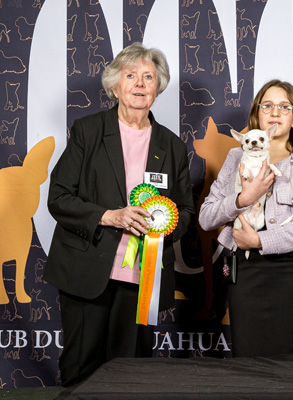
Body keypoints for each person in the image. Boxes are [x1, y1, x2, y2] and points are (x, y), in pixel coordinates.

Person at [44, 42, 195, 386]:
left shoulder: (172, 145)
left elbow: (185, 209)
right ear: (115, 87)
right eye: (131, 76)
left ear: (158, 88)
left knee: (132, 374)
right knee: (82, 368)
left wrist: (162, 227)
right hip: (87, 271)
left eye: (148, 77)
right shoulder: (87, 131)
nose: (140, 84)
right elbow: (59, 197)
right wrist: (110, 216)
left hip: (143, 279)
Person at [198, 79, 293, 357]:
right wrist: (242, 200)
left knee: (285, 358)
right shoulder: (235, 157)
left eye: (284, 106)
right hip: (244, 270)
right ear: (257, 115)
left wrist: (260, 240)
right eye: (267, 105)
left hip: (288, 270)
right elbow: (206, 218)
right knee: (247, 356)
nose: (275, 112)